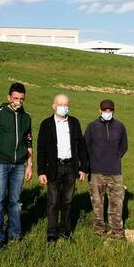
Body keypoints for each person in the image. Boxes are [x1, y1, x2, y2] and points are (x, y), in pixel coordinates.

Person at [0, 83, 33, 250]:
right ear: (8, 97)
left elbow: (29, 141)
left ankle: (15, 234)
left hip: (19, 164)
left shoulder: (26, 116)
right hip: (0, 163)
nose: (18, 101)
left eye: (21, 99)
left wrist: (29, 165)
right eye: (15, 98)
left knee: (16, 202)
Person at [37, 94, 88, 243]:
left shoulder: (74, 123)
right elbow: (41, 150)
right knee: (53, 201)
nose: (63, 107)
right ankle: (51, 233)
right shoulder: (46, 124)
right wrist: (41, 172)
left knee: (67, 201)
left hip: (71, 167)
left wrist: (83, 168)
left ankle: (65, 231)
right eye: (60, 104)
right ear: (53, 106)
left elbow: (81, 147)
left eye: (66, 105)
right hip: (53, 168)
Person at [84, 99, 128, 239]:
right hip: (96, 171)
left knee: (116, 202)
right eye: (105, 110)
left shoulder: (120, 127)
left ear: (113, 111)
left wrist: (114, 158)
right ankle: (99, 228)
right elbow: (86, 146)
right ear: (99, 110)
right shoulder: (92, 127)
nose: (107, 112)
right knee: (97, 202)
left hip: (115, 171)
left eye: (110, 110)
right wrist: (92, 163)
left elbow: (124, 146)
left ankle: (117, 230)